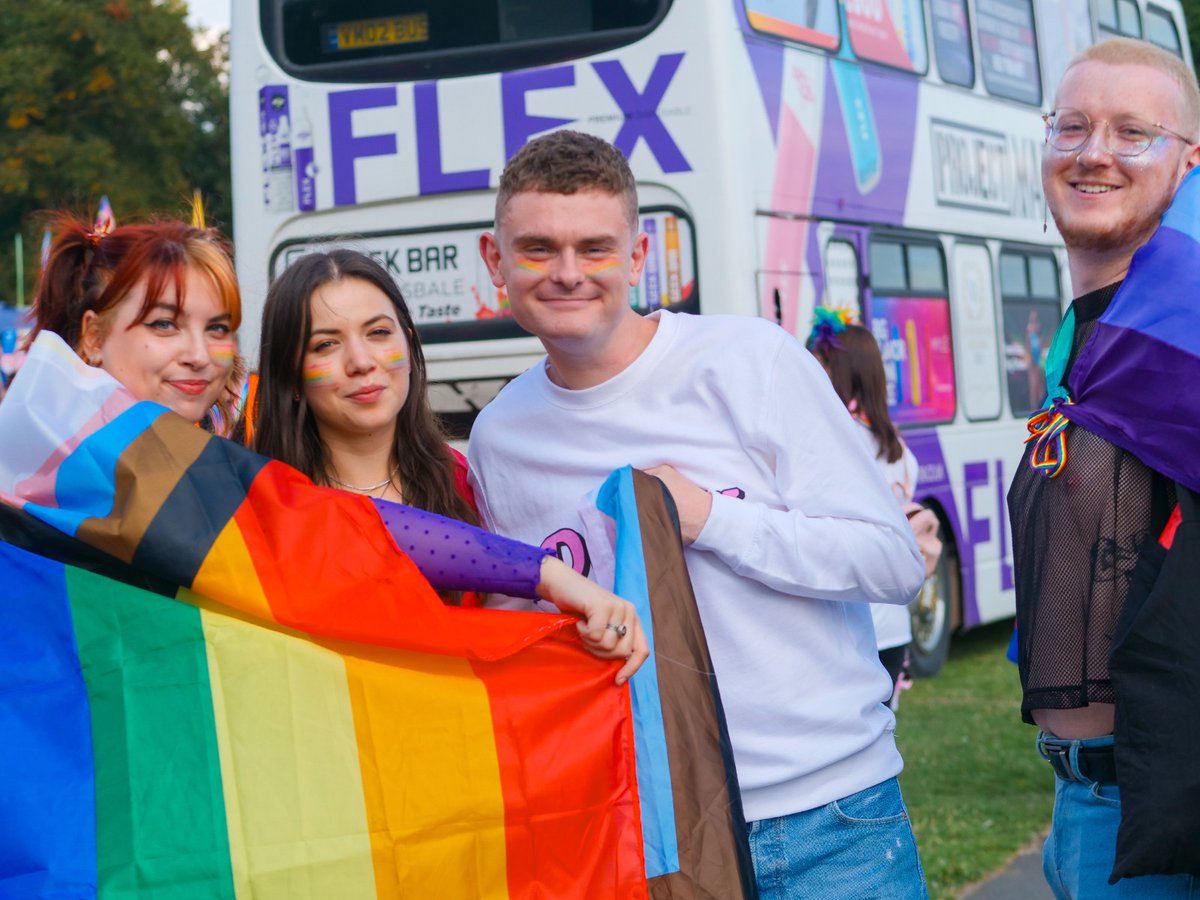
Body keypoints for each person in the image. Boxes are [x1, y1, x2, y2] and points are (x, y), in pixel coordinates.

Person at [470, 129, 928, 898]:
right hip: (645, 833)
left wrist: (711, 518)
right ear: (495, 260)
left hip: (828, 820)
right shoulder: (501, 436)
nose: (569, 273)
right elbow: (521, 630)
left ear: (642, 257)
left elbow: (892, 563)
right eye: (539, 248)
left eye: (596, 247)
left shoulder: (750, 360)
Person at [24, 217, 647, 682]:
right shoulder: (71, 462)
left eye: (217, 329)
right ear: (92, 337)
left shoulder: (466, 476)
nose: (197, 353)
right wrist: (544, 572)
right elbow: (341, 529)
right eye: (164, 324)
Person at [1007, 37, 1200, 897]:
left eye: (1133, 133)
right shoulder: (1083, 343)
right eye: (1073, 126)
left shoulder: (1183, 342)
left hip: (1160, 820)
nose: (1093, 153)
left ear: (1190, 162)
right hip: (1076, 803)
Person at [252, 250, 480, 602]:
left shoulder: (463, 480)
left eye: (377, 332)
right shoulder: (256, 507)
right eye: (325, 345)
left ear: (407, 342)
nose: (360, 361)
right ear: (291, 377)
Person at [807, 313, 920, 708]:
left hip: (850, 624)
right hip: (892, 624)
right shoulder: (900, 450)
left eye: (820, 363)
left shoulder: (837, 442)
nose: (810, 372)